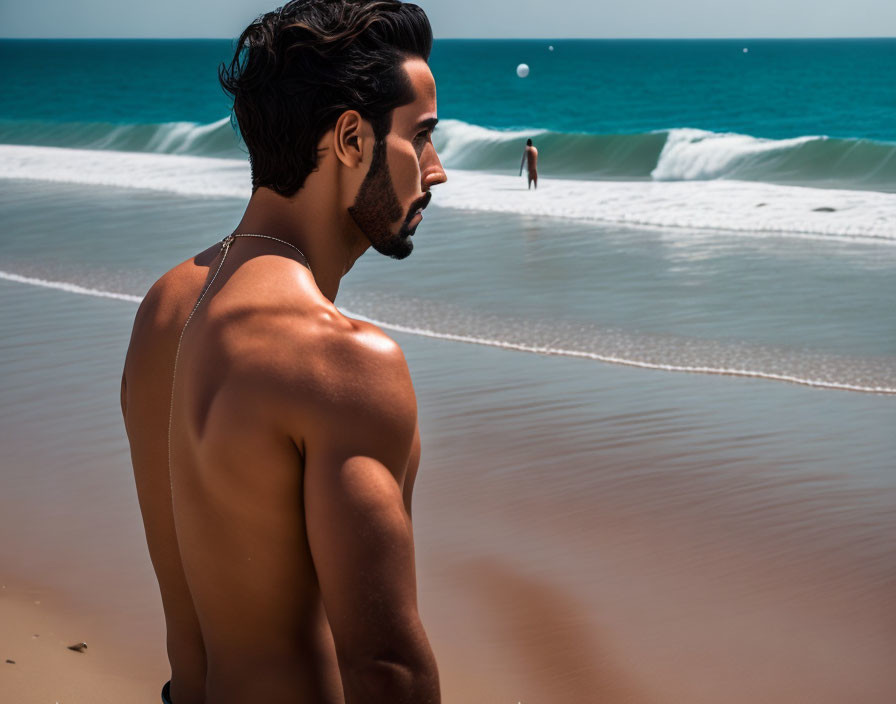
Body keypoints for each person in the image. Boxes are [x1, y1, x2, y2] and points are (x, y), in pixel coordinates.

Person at [120, 2, 446, 702]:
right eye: (420, 138)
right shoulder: (342, 362)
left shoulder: (164, 307)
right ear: (352, 139)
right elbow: (384, 665)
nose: (437, 171)